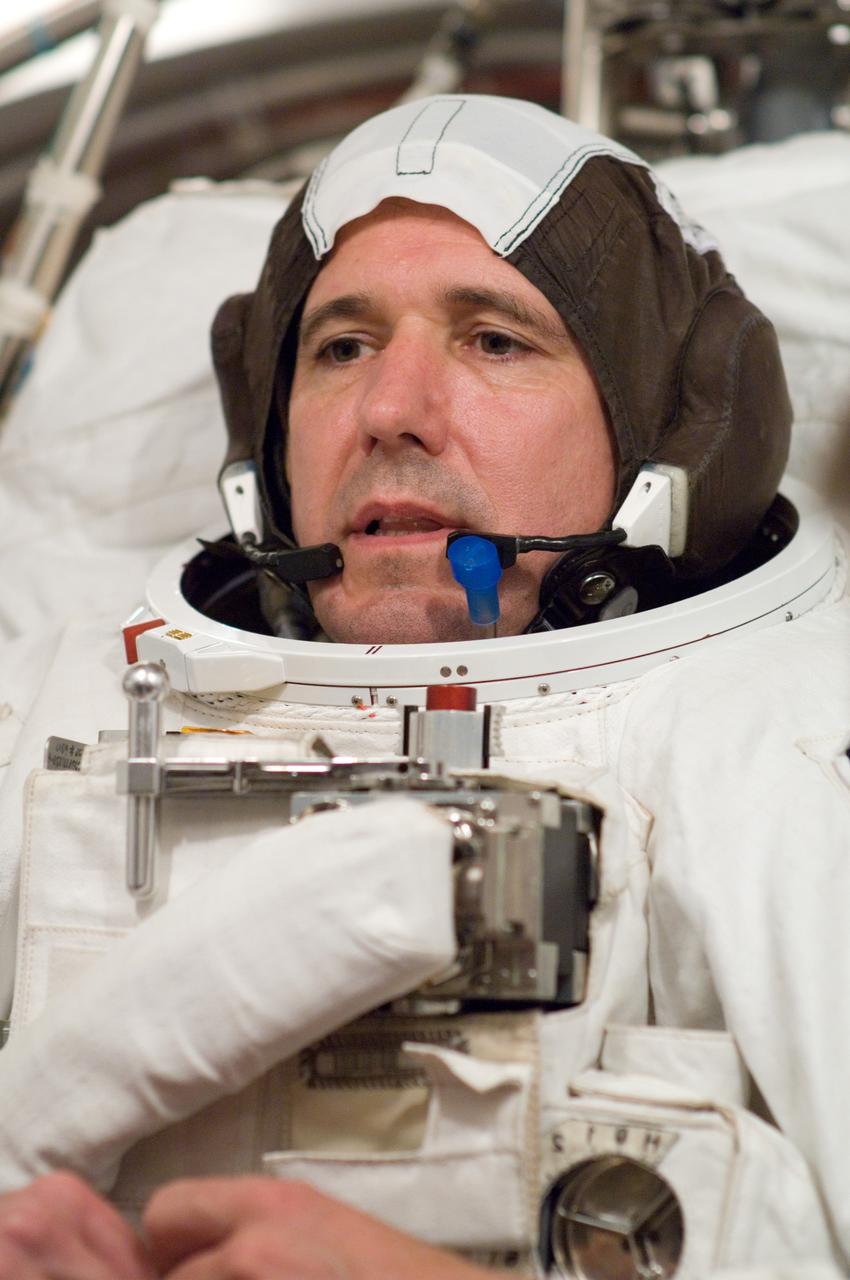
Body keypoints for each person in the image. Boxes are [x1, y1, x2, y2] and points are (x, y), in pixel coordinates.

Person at [0, 94, 848, 1280]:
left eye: (493, 339)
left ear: (678, 439)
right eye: (341, 346)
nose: (391, 410)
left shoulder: (792, 744)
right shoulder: (46, 705)